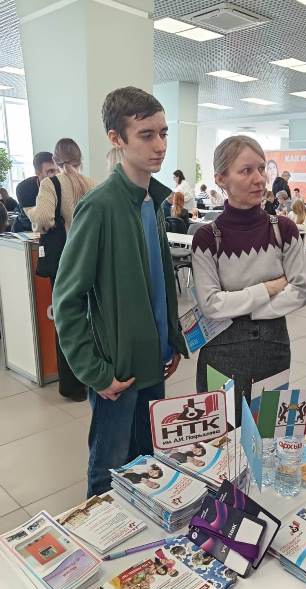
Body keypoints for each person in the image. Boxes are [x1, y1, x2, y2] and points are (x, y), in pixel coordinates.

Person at [52, 86, 187, 497]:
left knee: (148, 466)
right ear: (117, 138)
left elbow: (158, 282)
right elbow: (66, 299)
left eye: (163, 133)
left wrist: (171, 338)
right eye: (146, 135)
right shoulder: (100, 206)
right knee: (108, 471)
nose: (159, 145)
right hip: (118, 372)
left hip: (154, 362)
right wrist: (95, 372)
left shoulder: (152, 201)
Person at [192, 135, 306, 425]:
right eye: (246, 171)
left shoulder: (284, 230)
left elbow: (299, 291)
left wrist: (241, 306)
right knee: (221, 437)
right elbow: (211, 304)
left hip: (273, 348)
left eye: (261, 169)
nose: (259, 179)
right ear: (221, 179)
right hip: (220, 351)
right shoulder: (207, 238)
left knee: (268, 433)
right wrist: (268, 288)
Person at [28, 139, 95, 402]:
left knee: (67, 323)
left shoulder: (51, 184)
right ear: (80, 158)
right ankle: (94, 377)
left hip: (65, 265)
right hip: (91, 262)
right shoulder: (92, 184)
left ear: (56, 161)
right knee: (90, 320)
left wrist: (33, 213)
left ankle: (73, 386)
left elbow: (43, 218)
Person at [14, 152, 57, 232]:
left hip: (51, 229)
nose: (56, 175)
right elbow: (38, 220)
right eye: (51, 171)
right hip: (25, 229)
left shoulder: (60, 184)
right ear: (37, 172)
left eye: (58, 170)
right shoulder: (24, 188)